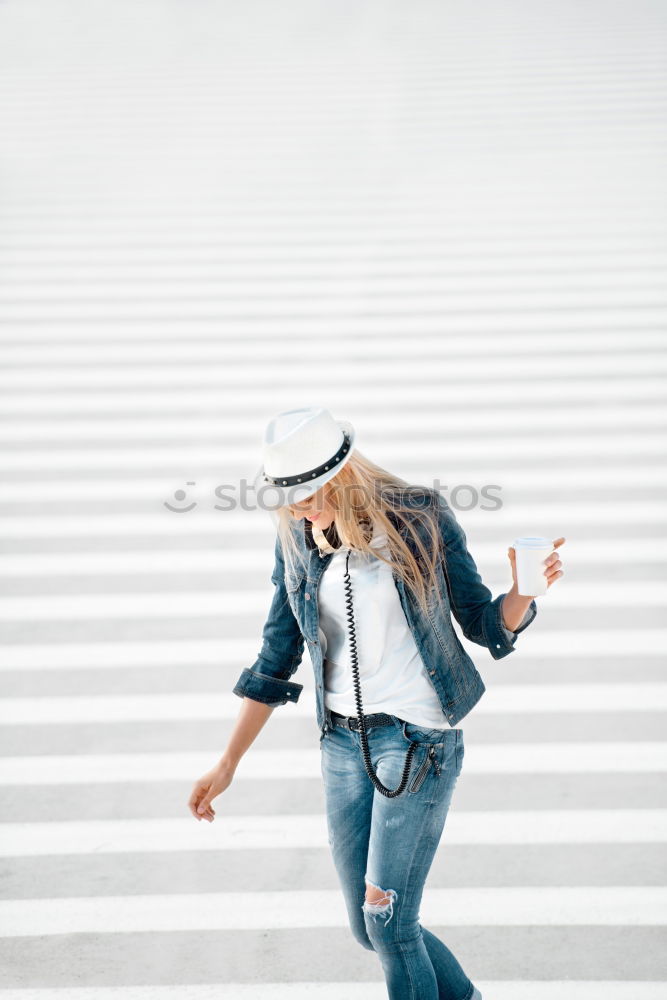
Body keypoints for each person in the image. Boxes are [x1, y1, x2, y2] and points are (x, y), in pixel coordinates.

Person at [188, 406, 566, 1000]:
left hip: (419, 742)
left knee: (389, 921)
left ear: (342, 477)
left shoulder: (419, 516)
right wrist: (227, 763)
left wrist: (524, 590)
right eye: (287, 497)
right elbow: (274, 657)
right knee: (373, 930)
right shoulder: (295, 539)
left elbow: (483, 623)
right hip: (342, 744)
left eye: (309, 495)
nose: (297, 509)